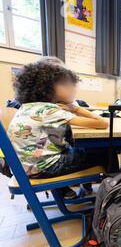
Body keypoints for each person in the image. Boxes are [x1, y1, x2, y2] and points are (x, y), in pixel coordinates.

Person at [9, 60, 110, 199]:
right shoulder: (49, 110)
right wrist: (76, 108)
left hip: (25, 168)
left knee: (72, 147)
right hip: (46, 167)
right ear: (48, 87)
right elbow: (102, 123)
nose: (73, 89)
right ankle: (112, 193)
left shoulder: (26, 107)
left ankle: (85, 187)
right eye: (67, 84)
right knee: (105, 151)